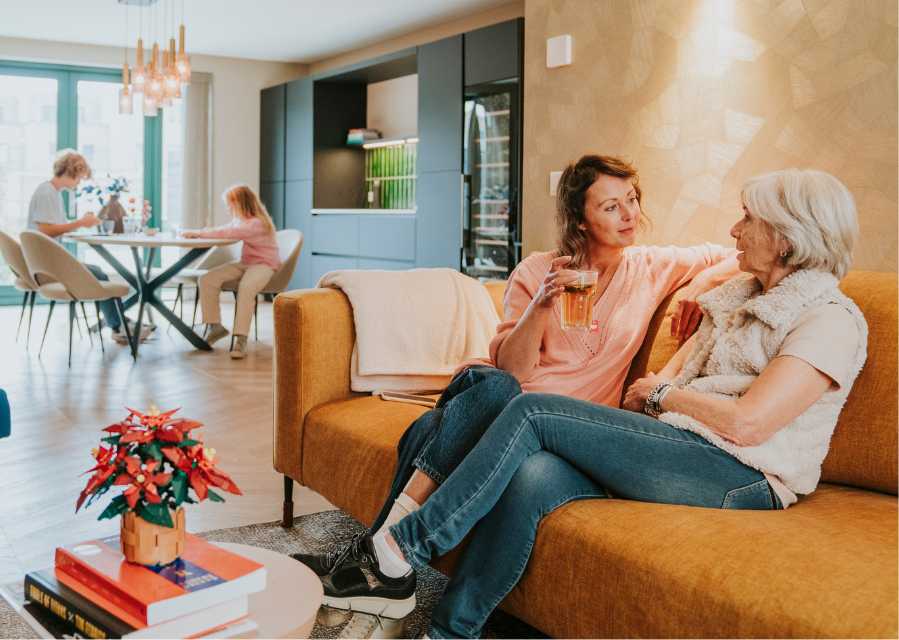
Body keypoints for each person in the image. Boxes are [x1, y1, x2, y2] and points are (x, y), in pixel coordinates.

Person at [317, 168, 867, 638]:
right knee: (533, 475)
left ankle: (400, 549)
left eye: (748, 218)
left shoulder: (830, 319)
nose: (734, 229)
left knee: (532, 412)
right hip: (689, 446)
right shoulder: (736, 300)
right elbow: (654, 386)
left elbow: (748, 423)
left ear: (788, 240)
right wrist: (659, 392)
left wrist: (663, 395)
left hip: (746, 474)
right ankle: (450, 631)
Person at [294, 155, 739, 608]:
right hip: (501, 404)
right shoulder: (536, 271)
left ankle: (373, 556)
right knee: (496, 389)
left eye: (631, 200)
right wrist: (542, 305)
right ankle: (385, 559)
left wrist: (700, 285)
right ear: (580, 220)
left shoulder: (650, 266)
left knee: (431, 430)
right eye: (610, 207)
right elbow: (513, 370)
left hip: (565, 427)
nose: (629, 215)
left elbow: (735, 252)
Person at [26, 149, 148, 344]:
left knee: (98, 272)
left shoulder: (52, 193)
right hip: (47, 267)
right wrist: (80, 223)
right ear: (71, 172)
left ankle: (118, 323)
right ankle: (118, 326)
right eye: (79, 178)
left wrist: (80, 223)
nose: (79, 183)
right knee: (98, 274)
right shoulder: (47, 192)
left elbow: (54, 228)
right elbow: (46, 230)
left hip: (48, 263)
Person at [183, 184, 280, 359]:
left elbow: (228, 232)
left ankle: (240, 338)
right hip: (246, 263)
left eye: (230, 204)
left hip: (263, 265)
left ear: (240, 203)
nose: (228, 208)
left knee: (246, 288)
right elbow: (227, 230)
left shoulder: (257, 223)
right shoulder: (241, 221)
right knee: (207, 279)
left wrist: (197, 233)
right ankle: (215, 326)